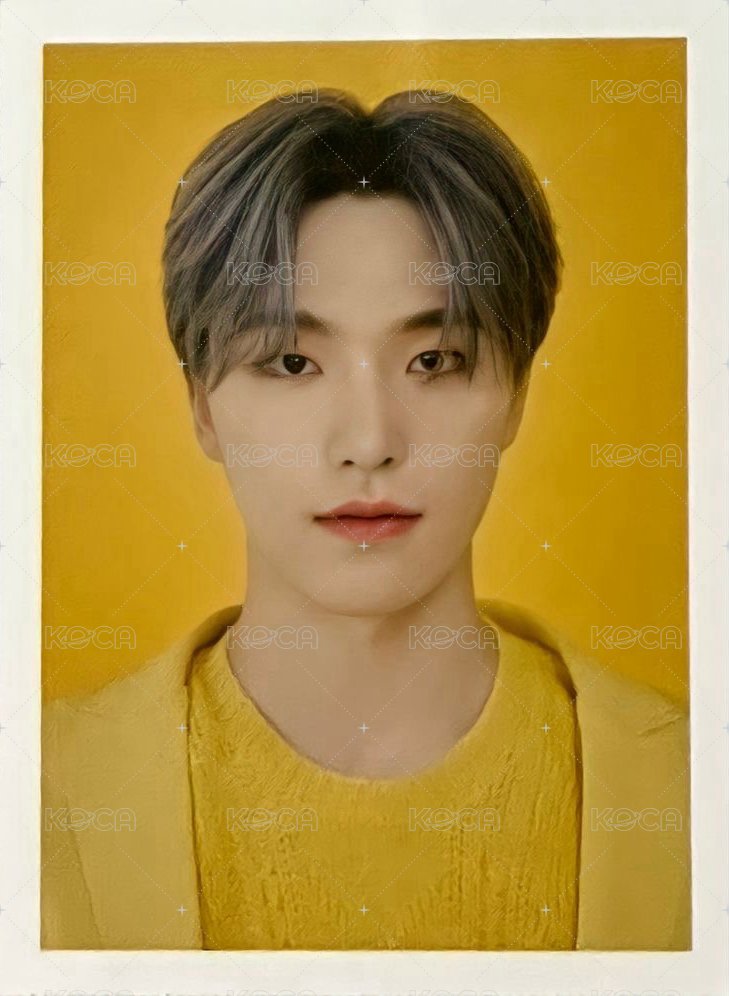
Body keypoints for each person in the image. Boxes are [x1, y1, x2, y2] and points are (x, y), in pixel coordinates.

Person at [41, 88, 690, 951]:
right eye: (290, 361)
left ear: (515, 396)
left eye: (434, 359)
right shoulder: (41, 792)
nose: (369, 442)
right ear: (201, 405)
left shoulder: (691, 788)